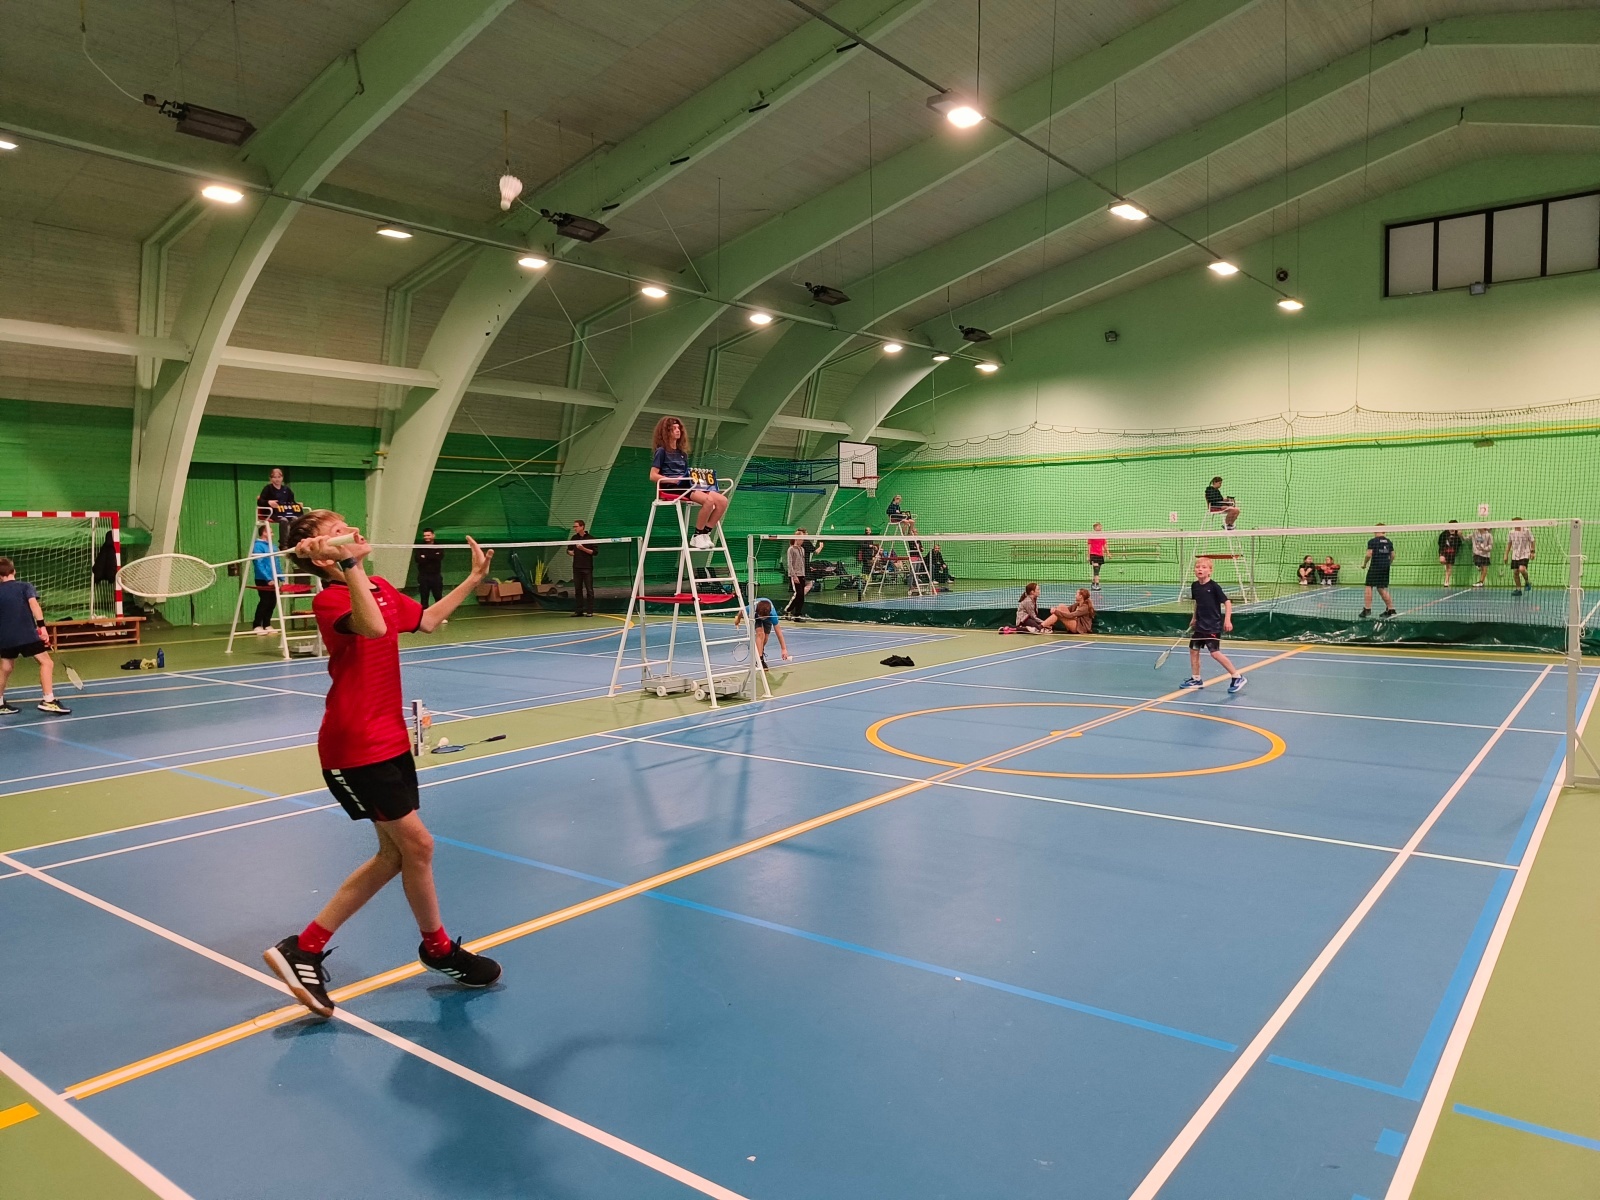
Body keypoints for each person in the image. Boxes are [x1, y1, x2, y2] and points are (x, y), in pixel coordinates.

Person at [262, 510, 501, 1018]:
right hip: (355, 747)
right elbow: (371, 627)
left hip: (391, 739)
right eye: (337, 531)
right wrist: (346, 564)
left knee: (395, 856)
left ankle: (309, 948)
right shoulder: (330, 599)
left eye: (347, 524)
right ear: (322, 555)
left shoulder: (380, 586)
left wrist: (473, 579)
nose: (353, 530)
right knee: (420, 845)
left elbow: (427, 621)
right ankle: (432, 949)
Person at [0, 557, 70, 715]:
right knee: (46, 663)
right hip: (27, 634)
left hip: (5, 637)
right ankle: (49, 700)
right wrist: (42, 627)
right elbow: (34, 606)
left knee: (6, 667)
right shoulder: (25, 586)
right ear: (14, 571)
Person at [648, 416, 728, 550]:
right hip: (671, 487)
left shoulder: (682, 453)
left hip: (687, 484)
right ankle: (697, 536)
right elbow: (653, 475)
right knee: (708, 501)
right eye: (673, 428)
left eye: (679, 428)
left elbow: (686, 473)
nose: (677, 431)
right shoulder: (661, 451)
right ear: (666, 432)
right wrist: (672, 479)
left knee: (722, 501)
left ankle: (705, 533)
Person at [1181, 557, 1245, 693]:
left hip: (1212, 626)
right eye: (1198, 567)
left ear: (1210, 571)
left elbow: (1227, 602)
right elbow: (1197, 603)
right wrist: (1194, 618)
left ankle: (1237, 677)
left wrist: (1227, 620)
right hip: (1200, 625)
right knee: (1193, 649)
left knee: (1215, 653)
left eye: (1204, 567)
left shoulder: (1214, 587)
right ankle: (1196, 679)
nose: (1200, 569)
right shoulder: (1195, 586)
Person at [733, 596, 791, 669]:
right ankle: (760, 660)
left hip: (767, 617)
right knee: (760, 633)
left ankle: (760, 651)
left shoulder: (773, 615)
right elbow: (741, 611)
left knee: (765, 637)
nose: (762, 618)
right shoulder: (751, 608)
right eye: (761, 616)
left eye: (763, 617)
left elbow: (779, 633)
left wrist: (784, 649)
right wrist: (738, 619)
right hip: (756, 616)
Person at [249, 527, 282, 635]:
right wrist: (268, 578)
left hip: (274, 578)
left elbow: (277, 562)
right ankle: (257, 625)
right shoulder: (258, 546)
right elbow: (258, 563)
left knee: (273, 602)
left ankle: (267, 624)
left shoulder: (273, 546)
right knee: (265, 601)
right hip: (262, 578)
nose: (273, 534)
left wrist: (281, 577)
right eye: (271, 532)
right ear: (264, 533)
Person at [1361, 524, 1397, 619]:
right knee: (1381, 588)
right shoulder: (1389, 542)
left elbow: (1369, 554)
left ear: (1375, 530)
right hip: (1385, 567)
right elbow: (1393, 555)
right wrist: (1388, 563)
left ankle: (1367, 609)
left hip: (1375, 567)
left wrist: (1364, 564)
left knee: (1369, 586)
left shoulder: (1373, 541)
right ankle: (1391, 609)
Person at [257, 468, 297, 547]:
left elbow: (292, 502)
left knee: (295, 519)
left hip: (285, 512)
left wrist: (295, 506)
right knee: (284, 520)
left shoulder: (287, 490)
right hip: (271, 513)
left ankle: (293, 542)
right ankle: (283, 544)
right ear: (271, 479)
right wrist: (269, 502)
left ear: (282, 478)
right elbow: (260, 501)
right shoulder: (268, 489)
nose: (277, 479)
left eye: (279, 477)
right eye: (275, 477)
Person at [567, 519, 597, 616]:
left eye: (576, 526)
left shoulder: (591, 538)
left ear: (582, 527)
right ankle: (579, 611)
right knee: (578, 590)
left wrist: (583, 548)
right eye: (574, 527)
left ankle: (590, 611)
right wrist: (570, 553)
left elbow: (594, 552)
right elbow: (569, 550)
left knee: (589, 590)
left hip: (587, 567)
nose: (574, 528)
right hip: (576, 567)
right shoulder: (574, 538)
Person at [414, 528, 445, 609]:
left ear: (433, 535)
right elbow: (418, 559)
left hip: (436, 576)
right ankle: (424, 615)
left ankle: (440, 614)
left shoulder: (439, 546)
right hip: (423, 576)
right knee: (424, 598)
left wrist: (425, 556)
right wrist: (433, 555)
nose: (426, 537)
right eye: (425, 536)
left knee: (438, 597)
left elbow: (439, 557)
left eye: (428, 535)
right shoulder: (420, 546)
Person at [784, 529, 811, 620]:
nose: (803, 540)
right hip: (795, 575)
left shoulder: (802, 549)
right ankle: (788, 610)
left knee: (802, 595)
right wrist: (794, 576)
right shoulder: (791, 549)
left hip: (802, 574)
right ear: (797, 538)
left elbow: (802, 562)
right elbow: (790, 564)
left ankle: (797, 614)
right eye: (801, 538)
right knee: (798, 594)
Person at [1505, 519, 1535, 596]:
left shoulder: (1527, 531)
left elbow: (1532, 541)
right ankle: (1518, 590)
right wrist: (1506, 555)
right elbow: (1509, 544)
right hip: (1515, 555)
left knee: (1522, 569)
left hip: (1525, 554)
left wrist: (1532, 552)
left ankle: (1527, 582)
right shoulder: (1511, 532)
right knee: (1515, 572)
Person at [1437, 520, 1463, 587]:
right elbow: (1440, 544)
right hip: (1444, 551)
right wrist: (1441, 554)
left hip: (1451, 553)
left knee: (1449, 567)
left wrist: (1460, 536)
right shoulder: (1444, 534)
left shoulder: (1457, 534)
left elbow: (1459, 544)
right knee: (1442, 561)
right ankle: (1445, 566)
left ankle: (1446, 581)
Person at [1086, 523, 1108, 590]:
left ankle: (1093, 583)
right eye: (1099, 526)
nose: (1101, 527)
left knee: (1097, 571)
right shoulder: (1091, 536)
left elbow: (1104, 545)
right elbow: (1089, 546)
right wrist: (1088, 556)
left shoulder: (1102, 536)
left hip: (1100, 555)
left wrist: (1108, 553)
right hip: (1093, 554)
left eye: (1101, 526)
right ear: (1095, 528)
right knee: (1096, 570)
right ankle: (1097, 585)